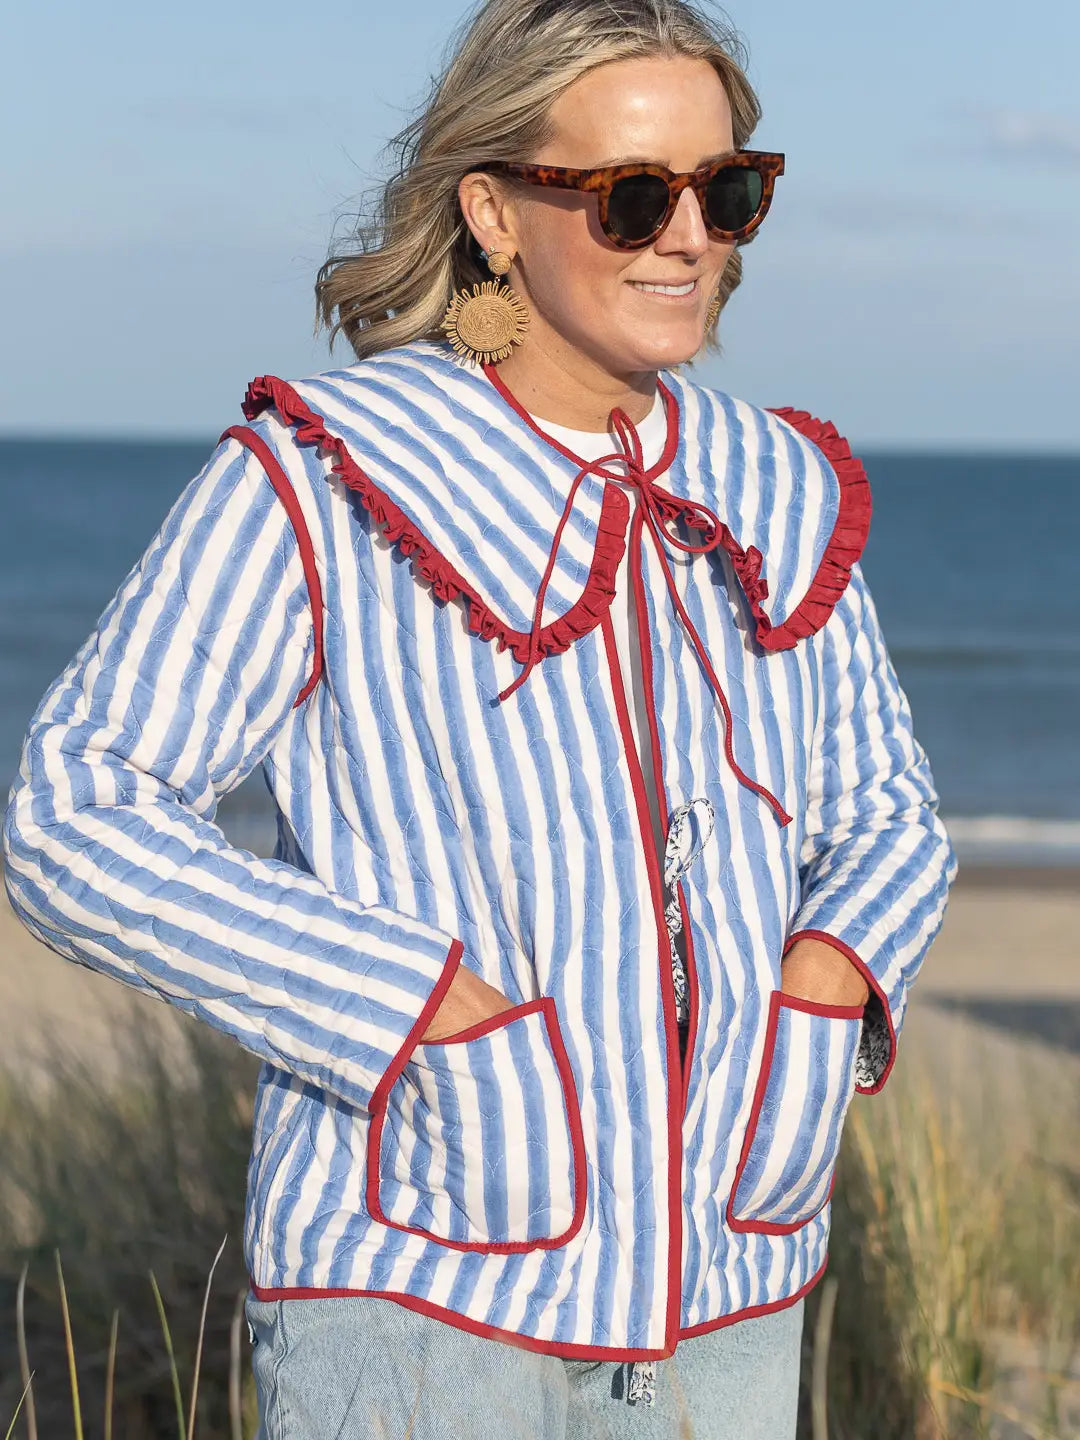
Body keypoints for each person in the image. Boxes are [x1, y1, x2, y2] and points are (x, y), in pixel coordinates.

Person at [2, 1, 957, 1435]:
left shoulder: (777, 488)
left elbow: (888, 814)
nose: (689, 237)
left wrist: (824, 987)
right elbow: (76, 812)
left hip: (734, 1290)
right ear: (494, 212)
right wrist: (417, 1016)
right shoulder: (330, 476)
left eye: (726, 189)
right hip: (421, 1296)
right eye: (633, 196)